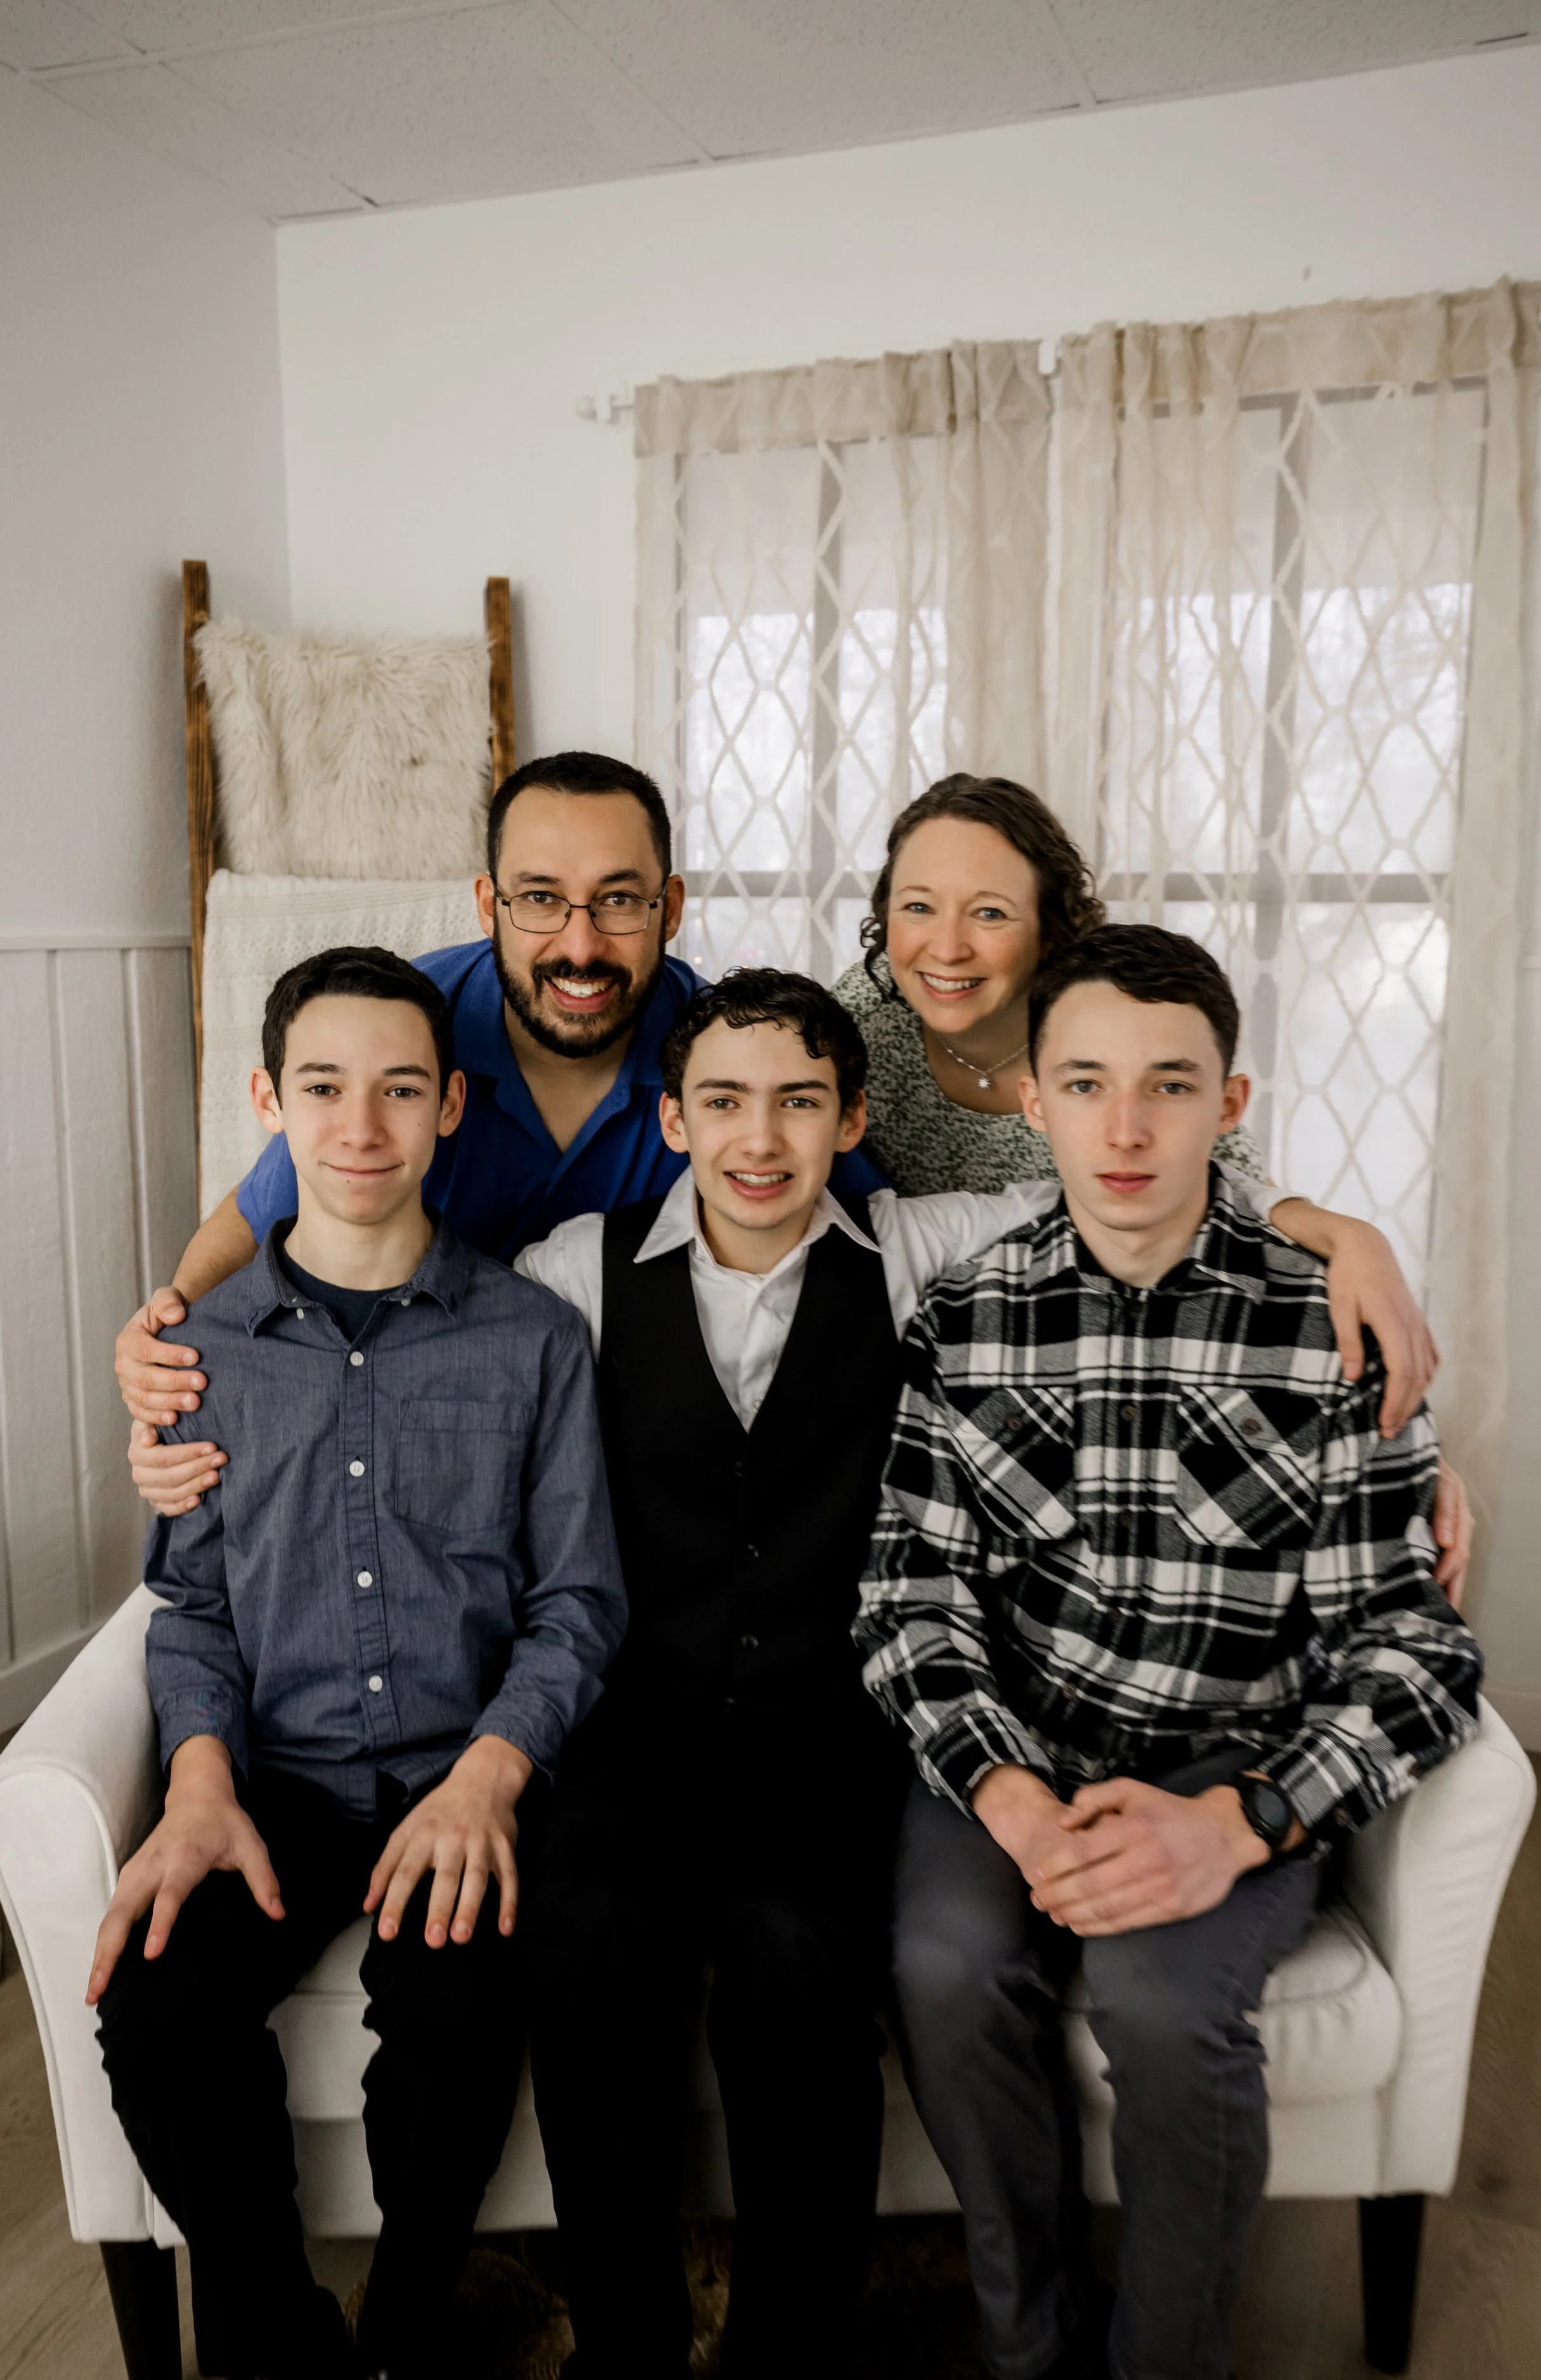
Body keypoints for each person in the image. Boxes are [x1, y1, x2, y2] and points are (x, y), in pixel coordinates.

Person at [855, 923, 1483, 2380]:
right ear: (1034, 1102)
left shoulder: (1331, 1327)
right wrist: (1003, 1796)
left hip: (1234, 1754)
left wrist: (1246, 1822)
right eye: (1084, 1083)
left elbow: (1414, 1647)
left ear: (1232, 1104)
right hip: (1018, 1745)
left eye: (1168, 1086)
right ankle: (1035, 2345)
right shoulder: (965, 1317)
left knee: (1157, 1995)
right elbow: (909, 1598)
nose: (1125, 1127)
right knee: (944, 1963)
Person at [89, 946, 627, 2380]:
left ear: (452, 1107)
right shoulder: (204, 1352)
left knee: (451, 2017)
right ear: (270, 1101)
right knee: (154, 2005)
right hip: (280, 1779)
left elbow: (578, 1599)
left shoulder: (534, 1339)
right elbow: (192, 1604)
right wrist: (199, 1785)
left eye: (401, 1089)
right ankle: (282, 2342)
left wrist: (491, 1778)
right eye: (323, 1088)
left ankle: (406, 2326)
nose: (362, 1126)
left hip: (467, 1764)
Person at [514, 970, 1055, 2380]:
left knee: (796, 1954)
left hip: (831, 1729)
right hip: (635, 1724)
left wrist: (1334, 1230)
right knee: (584, 1938)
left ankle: (788, 2351)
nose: (760, 1138)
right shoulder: (577, 1266)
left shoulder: (911, 1249)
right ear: (671, 1116)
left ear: (849, 1113)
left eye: (799, 1101)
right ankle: (624, 2343)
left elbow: (1138, 1192)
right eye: (724, 1101)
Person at [117, 750, 881, 1518]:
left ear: (669, 908)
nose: (579, 948)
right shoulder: (401, 1034)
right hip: (424, 1428)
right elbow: (252, 1223)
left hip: (638, 1456)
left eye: (617, 900)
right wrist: (168, 1363)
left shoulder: (730, 1065)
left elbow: (864, 1228)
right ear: (488, 905)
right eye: (540, 899)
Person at [831, 771, 1474, 1598]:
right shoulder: (863, 1018)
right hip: (927, 1354)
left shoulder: (1102, 1028)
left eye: (989, 912)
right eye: (917, 905)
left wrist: (1391, 1428)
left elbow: (1227, 1189)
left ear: (1049, 930)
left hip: (1080, 1354)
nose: (945, 946)